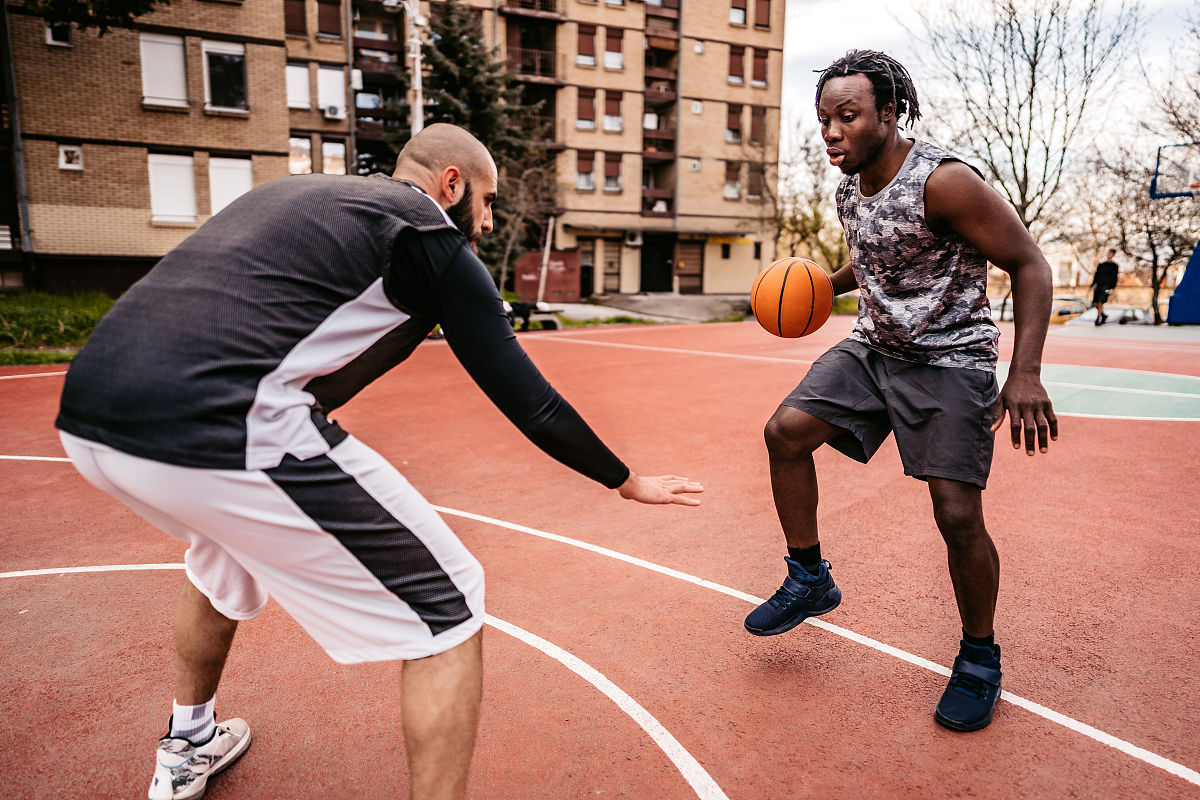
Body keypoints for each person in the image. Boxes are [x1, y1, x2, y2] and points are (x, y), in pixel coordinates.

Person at [55, 123, 703, 800]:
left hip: (92, 414)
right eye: (486, 202)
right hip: (221, 422)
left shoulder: (294, 193)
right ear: (450, 183)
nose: (485, 223)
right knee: (449, 608)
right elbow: (530, 402)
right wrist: (627, 481)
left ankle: (186, 744)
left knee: (220, 556)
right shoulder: (432, 241)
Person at [743, 51, 1057, 732]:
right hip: (875, 347)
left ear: (890, 113)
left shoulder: (946, 184)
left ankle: (979, 656)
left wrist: (1024, 372)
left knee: (956, 515)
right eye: (824, 118)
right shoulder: (847, 185)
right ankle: (809, 577)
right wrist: (825, 284)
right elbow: (879, 251)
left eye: (847, 116)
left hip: (950, 360)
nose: (831, 131)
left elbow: (1029, 262)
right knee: (785, 433)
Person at [1091, 249, 1120, 325]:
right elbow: (1096, 275)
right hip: (1099, 285)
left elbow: (1115, 278)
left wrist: (1112, 288)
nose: (1109, 254)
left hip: (1107, 287)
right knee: (1094, 303)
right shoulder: (1101, 265)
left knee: (1100, 302)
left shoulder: (1115, 266)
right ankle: (1103, 315)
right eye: (1109, 253)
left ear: (1113, 255)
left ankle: (1098, 319)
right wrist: (1092, 285)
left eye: (1111, 253)